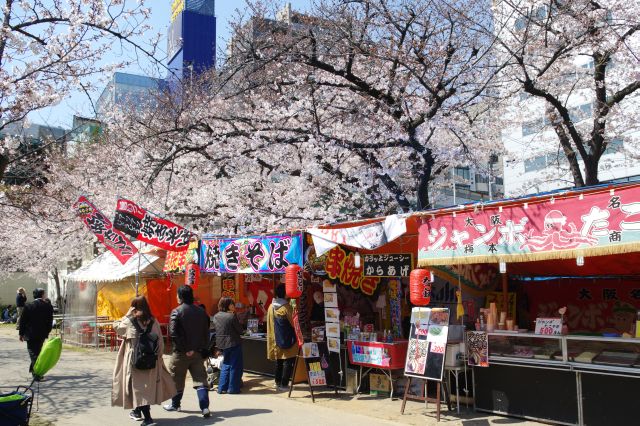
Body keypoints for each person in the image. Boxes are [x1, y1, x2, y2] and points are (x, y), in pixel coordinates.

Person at [112, 296, 176, 426]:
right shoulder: (153, 321)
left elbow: (117, 327)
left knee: (137, 388)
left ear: (133, 307)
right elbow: (160, 341)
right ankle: (137, 412)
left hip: (134, 359)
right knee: (145, 387)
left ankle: (148, 419)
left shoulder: (130, 320)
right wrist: (159, 357)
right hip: (151, 359)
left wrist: (126, 314)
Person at [163, 285, 211, 417]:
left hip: (181, 353)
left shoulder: (176, 311)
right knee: (201, 379)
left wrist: (186, 349)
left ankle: (175, 404)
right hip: (198, 352)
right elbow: (206, 332)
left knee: (177, 377)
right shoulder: (201, 311)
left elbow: (173, 333)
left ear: (180, 296)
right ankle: (205, 407)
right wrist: (202, 349)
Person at [266, 284, 299, 391]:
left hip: (275, 338)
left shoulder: (271, 306)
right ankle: (284, 384)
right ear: (285, 293)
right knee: (288, 361)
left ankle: (277, 382)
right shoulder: (286, 307)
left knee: (279, 361)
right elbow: (294, 323)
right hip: (287, 338)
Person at [18, 288, 53, 377]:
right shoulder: (48, 306)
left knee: (33, 353)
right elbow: (50, 321)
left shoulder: (29, 305)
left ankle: (37, 373)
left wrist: (21, 334)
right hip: (42, 334)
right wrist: (47, 332)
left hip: (30, 334)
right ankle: (34, 370)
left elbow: (23, 321)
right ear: (42, 295)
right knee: (37, 352)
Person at [212, 297, 243, 394]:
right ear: (227, 305)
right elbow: (240, 330)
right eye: (232, 304)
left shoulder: (216, 316)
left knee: (226, 364)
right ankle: (233, 389)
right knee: (235, 366)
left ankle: (221, 388)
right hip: (233, 343)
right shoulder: (231, 316)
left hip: (222, 344)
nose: (233, 306)